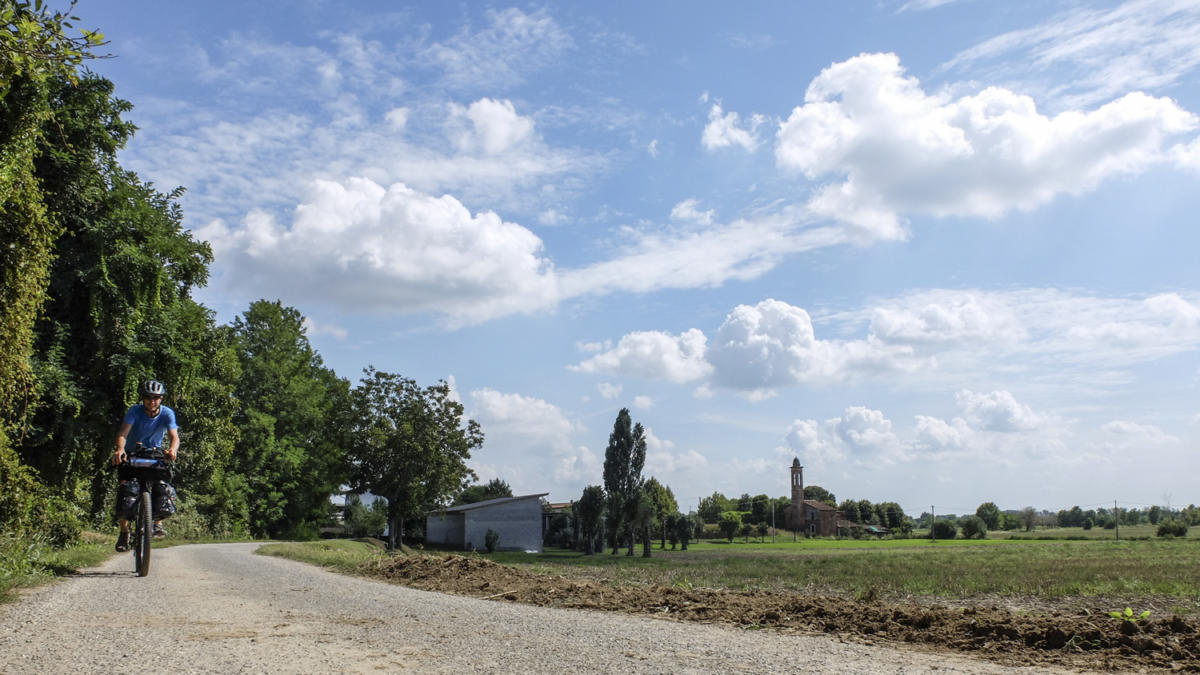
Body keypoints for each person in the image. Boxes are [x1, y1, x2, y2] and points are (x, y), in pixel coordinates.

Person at [112, 379, 179, 552]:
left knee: (161, 485)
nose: (152, 401)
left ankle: (157, 524)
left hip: (154, 454)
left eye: (156, 397)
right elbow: (123, 433)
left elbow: (174, 436)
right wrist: (120, 449)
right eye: (148, 397)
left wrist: (172, 449)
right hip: (132, 454)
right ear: (143, 398)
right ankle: (124, 532)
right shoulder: (134, 411)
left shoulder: (167, 413)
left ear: (161, 398)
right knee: (124, 489)